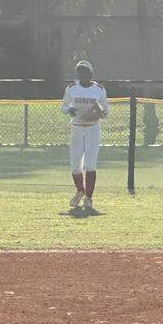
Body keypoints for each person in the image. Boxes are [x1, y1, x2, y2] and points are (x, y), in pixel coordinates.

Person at [61, 60, 108, 211]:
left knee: (90, 164)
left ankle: (88, 197)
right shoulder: (72, 88)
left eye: (85, 73)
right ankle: (80, 190)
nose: (83, 76)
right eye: (80, 73)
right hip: (77, 127)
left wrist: (98, 111)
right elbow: (64, 106)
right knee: (75, 165)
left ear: (91, 74)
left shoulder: (99, 89)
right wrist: (70, 110)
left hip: (93, 128)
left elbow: (105, 111)